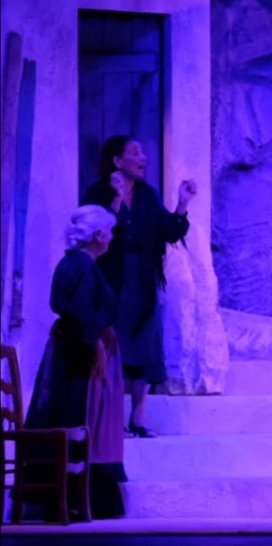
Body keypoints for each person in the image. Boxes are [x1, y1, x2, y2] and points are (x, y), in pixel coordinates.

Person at [19, 205, 128, 520]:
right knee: (78, 418)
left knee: (68, 417)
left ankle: (65, 499)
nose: (112, 237)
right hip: (77, 357)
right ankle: (76, 500)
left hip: (70, 350)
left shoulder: (72, 263)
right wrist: (95, 343)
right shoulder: (82, 266)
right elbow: (80, 310)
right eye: (109, 232)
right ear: (98, 234)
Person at [81, 136, 194, 438]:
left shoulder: (147, 195)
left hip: (142, 282)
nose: (143, 157)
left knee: (145, 344)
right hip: (111, 281)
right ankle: (112, 419)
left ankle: (139, 417)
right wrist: (115, 199)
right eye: (135, 153)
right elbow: (95, 232)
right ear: (118, 161)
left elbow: (170, 232)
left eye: (142, 152)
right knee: (113, 346)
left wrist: (182, 204)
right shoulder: (97, 192)